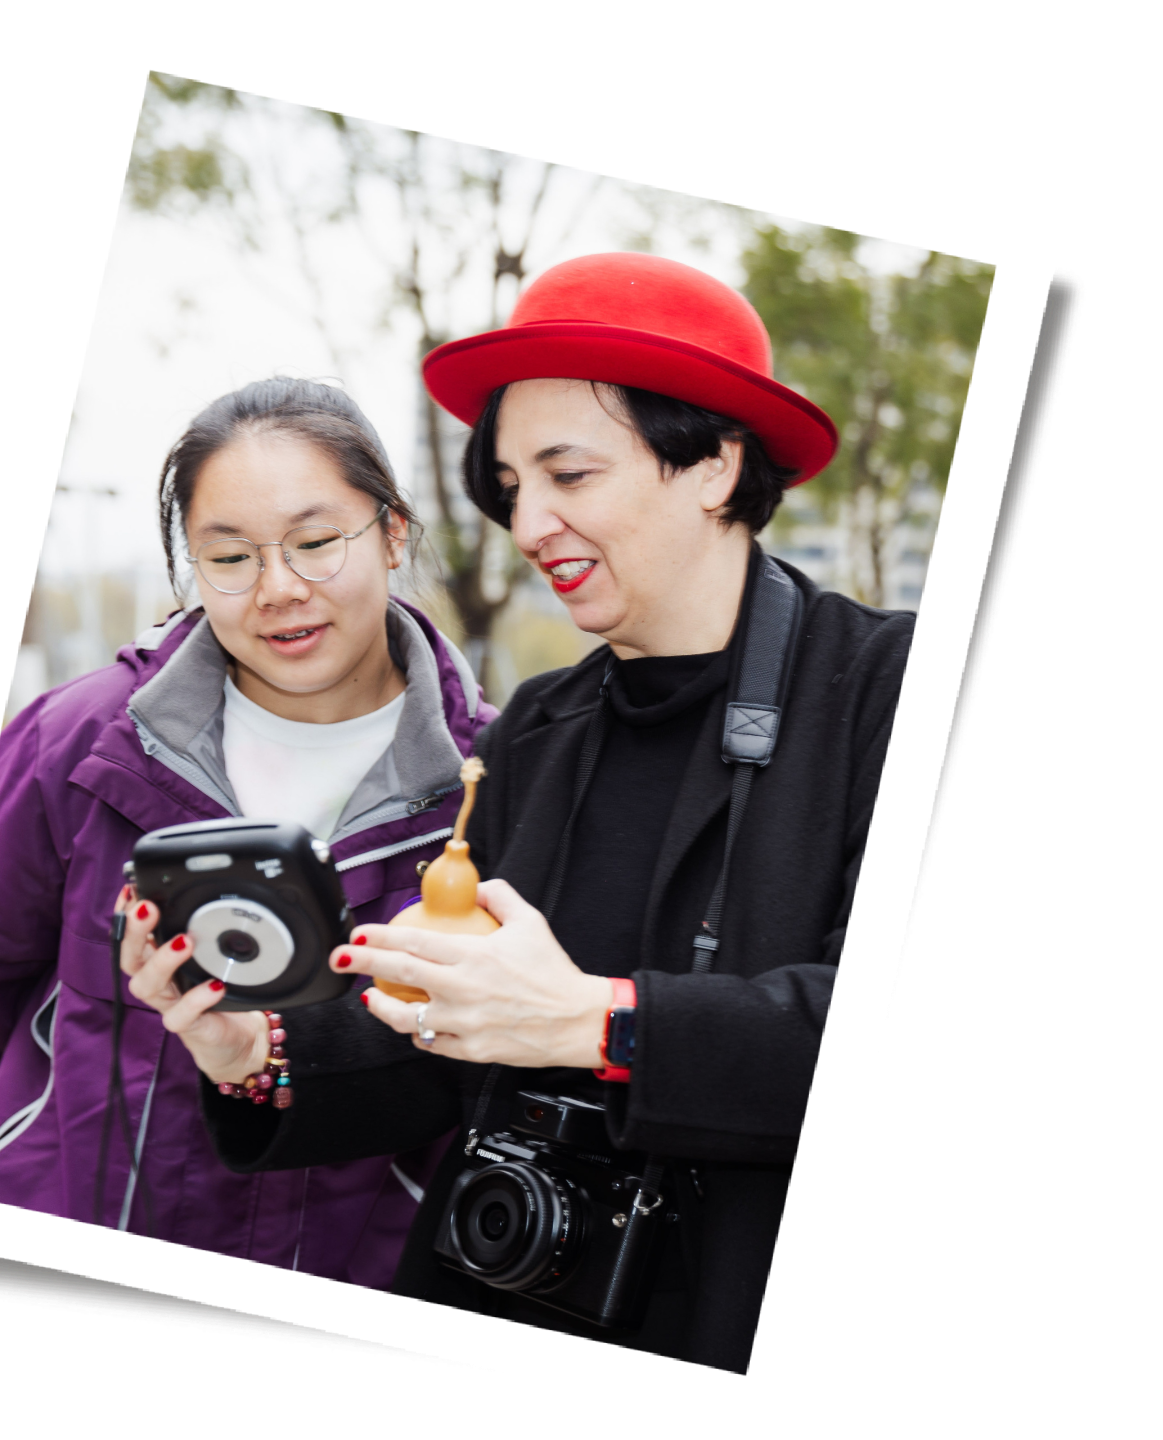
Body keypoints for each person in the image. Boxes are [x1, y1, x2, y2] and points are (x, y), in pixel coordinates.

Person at [120, 254, 913, 1372]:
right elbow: (441, 1035)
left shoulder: (897, 689)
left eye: (569, 474)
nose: (527, 520)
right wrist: (254, 1050)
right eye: (509, 482)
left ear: (717, 461)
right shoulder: (535, 726)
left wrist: (604, 1024)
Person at [0, 377, 495, 1287]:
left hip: (348, 1281)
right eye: (230, 557)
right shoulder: (78, 742)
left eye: (318, 543)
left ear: (393, 532)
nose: (278, 589)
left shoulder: (492, 785)